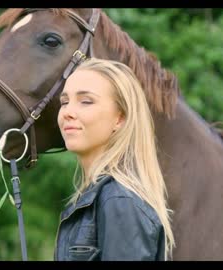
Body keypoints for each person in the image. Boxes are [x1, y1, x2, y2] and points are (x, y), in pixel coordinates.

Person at [54, 58, 175, 261]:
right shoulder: (100, 198)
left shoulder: (119, 201)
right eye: (64, 102)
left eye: (86, 101)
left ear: (120, 118)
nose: (68, 112)